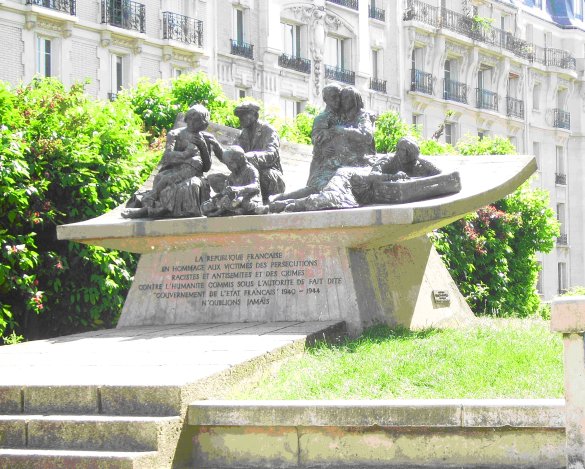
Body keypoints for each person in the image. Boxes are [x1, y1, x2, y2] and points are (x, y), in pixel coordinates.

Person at [121, 104, 212, 219]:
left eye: (198, 121)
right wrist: (185, 156)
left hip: (193, 173)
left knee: (184, 186)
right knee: (162, 178)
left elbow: (206, 167)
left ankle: (146, 211)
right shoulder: (175, 134)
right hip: (174, 169)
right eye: (191, 119)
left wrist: (203, 146)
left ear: (203, 123)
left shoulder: (204, 138)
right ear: (187, 118)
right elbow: (167, 157)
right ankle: (149, 206)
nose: (193, 124)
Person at [233, 102, 285, 203]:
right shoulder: (241, 135)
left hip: (270, 175)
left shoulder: (268, 131)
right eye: (239, 116)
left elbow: (272, 154)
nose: (241, 118)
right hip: (248, 174)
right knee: (217, 179)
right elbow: (233, 154)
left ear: (255, 115)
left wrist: (252, 156)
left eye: (244, 115)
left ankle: (255, 201)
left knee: (262, 175)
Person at [202, 146, 266, 217]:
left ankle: (258, 209)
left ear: (240, 159)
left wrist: (240, 189)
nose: (229, 166)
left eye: (231, 163)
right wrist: (217, 197)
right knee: (219, 203)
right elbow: (224, 192)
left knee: (244, 202)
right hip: (235, 201)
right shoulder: (232, 176)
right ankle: (230, 210)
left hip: (251, 199)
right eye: (227, 164)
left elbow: (256, 186)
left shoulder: (251, 170)